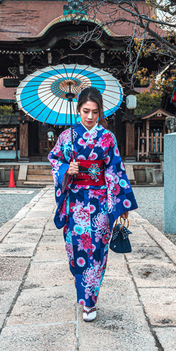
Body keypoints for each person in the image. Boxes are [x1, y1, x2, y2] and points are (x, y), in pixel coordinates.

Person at [48, 87, 138, 322]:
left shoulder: (107, 138)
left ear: (100, 113)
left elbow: (114, 168)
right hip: (75, 201)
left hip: (99, 202)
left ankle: (89, 302)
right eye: (86, 111)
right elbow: (55, 159)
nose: (90, 117)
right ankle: (84, 290)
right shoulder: (67, 137)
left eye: (95, 112)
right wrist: (68, 169)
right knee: (75, 249)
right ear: (78, 110)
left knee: (96, 251)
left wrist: (119, 203)